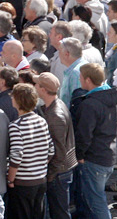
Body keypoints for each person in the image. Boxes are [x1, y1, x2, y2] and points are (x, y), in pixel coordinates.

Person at [72, 62, 117, 218]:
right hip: (108, 155)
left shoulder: (90, 104)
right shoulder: (109, 98)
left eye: (80, 77)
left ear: (88, 80)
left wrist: (79, 156)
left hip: (94, 159)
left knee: (96, 202)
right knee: (92, 199)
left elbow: (84, 134)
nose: (79, 80)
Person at [32, 72, 76, 219]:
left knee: (59, 213)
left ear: (43, 90)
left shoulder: (55, 115)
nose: (35, 87)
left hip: (58, 172)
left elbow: (59, 151)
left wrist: (50, 176)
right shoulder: (55, 105)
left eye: (37, 85)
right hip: (61, 170)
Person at [6, 83, 53, 217]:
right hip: (40, 180)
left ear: (18, 100)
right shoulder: (41, 121)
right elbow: (51, 150)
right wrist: (38, 167)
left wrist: (10, 179)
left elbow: (16, 156)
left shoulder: (16, 126)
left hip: (22, 183)